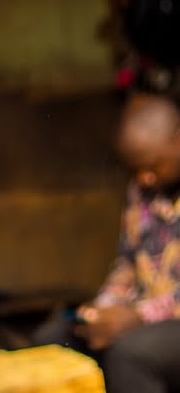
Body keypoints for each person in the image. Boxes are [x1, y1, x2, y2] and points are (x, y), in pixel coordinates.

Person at [32, 89, 180, 392]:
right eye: (137, 169)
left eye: (154, 165)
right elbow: (128, 262)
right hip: (144, 318)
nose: (145, 178)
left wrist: (137, 317)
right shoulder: (142, 189)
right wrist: (103, 309)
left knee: (130, 355)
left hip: (164, 320)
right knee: (53, 339)